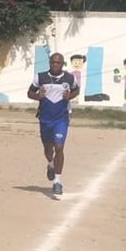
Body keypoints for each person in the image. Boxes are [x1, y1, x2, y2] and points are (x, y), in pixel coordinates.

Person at [28, 52, 79, 198]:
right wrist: (38, 96)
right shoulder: (41, 77)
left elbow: (76, 89)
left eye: (58, 63)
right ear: (49, 63)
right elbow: (30, 92)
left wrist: (70, 96)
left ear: (62, 64)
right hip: (45, 119)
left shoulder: (69, 78)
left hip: (61, 119)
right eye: (53, 62)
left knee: (59, 147)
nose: (55, 65)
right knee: (48, 149)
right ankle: (50, 163)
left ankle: (57, 181)